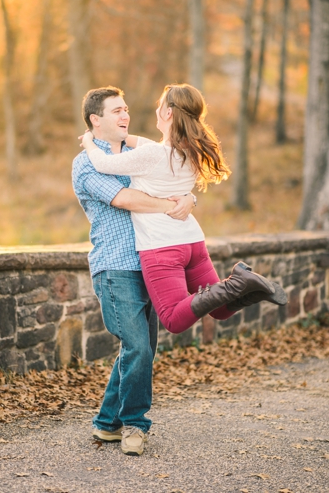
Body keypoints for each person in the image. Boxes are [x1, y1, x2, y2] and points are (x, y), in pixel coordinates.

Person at [79, 83, 288, 341]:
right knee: (221, 309)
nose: (156, 110)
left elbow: (103, 163)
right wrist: (190, 198)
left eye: (159, 106)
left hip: (162, 246)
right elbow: (141, 143)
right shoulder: (189, 151)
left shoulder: (152, 154)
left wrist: (89, 141)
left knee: (173, 319)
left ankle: (239, 282)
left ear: (168, 113)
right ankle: (251, 286)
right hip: (192, 242)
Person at [72, 86, 195, 456]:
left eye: (126, 109)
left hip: (149, 263)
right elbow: (126, 199)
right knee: (138, 347)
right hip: (114, 267)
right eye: (116, 112)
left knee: (140, 349)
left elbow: (177, 176)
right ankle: (135, 426)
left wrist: (189, 197)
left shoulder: (139, 153)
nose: (126, 116)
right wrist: (172, 205)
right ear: (96, 120)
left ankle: (107, 424)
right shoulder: (86, 163)